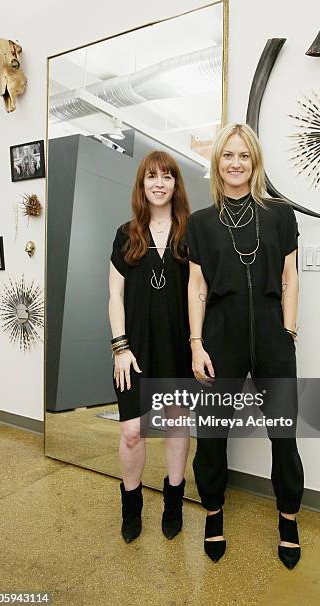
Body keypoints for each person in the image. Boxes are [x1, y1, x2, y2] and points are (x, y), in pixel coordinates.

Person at [186, 123, 304, 567]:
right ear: (217, 162)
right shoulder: (200, 223)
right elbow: (197, 287)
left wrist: (288, 332)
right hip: (220, 339)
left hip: (273, 339)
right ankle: (213, 513)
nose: (235, 163)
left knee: (284, 436)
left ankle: (288, 520)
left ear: (254, 163)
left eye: (244, 156)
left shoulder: (280, 215)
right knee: (212, 435)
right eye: (228, 155)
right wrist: (196, 344)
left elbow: (290, 277)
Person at [108, 150, 191, 543]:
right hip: (134, 351)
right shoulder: (126, 234)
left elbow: (202, 292)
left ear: (176, 184)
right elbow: (114, 295)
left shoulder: (190, 232)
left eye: (167, 176)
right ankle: (132, 503)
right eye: (151, 177)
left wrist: (198, 345)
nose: (159, 183)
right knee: (131, 432)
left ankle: (173, 502)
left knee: (176, 429)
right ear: (142, 185)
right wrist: (120, 347)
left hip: (178, 349)